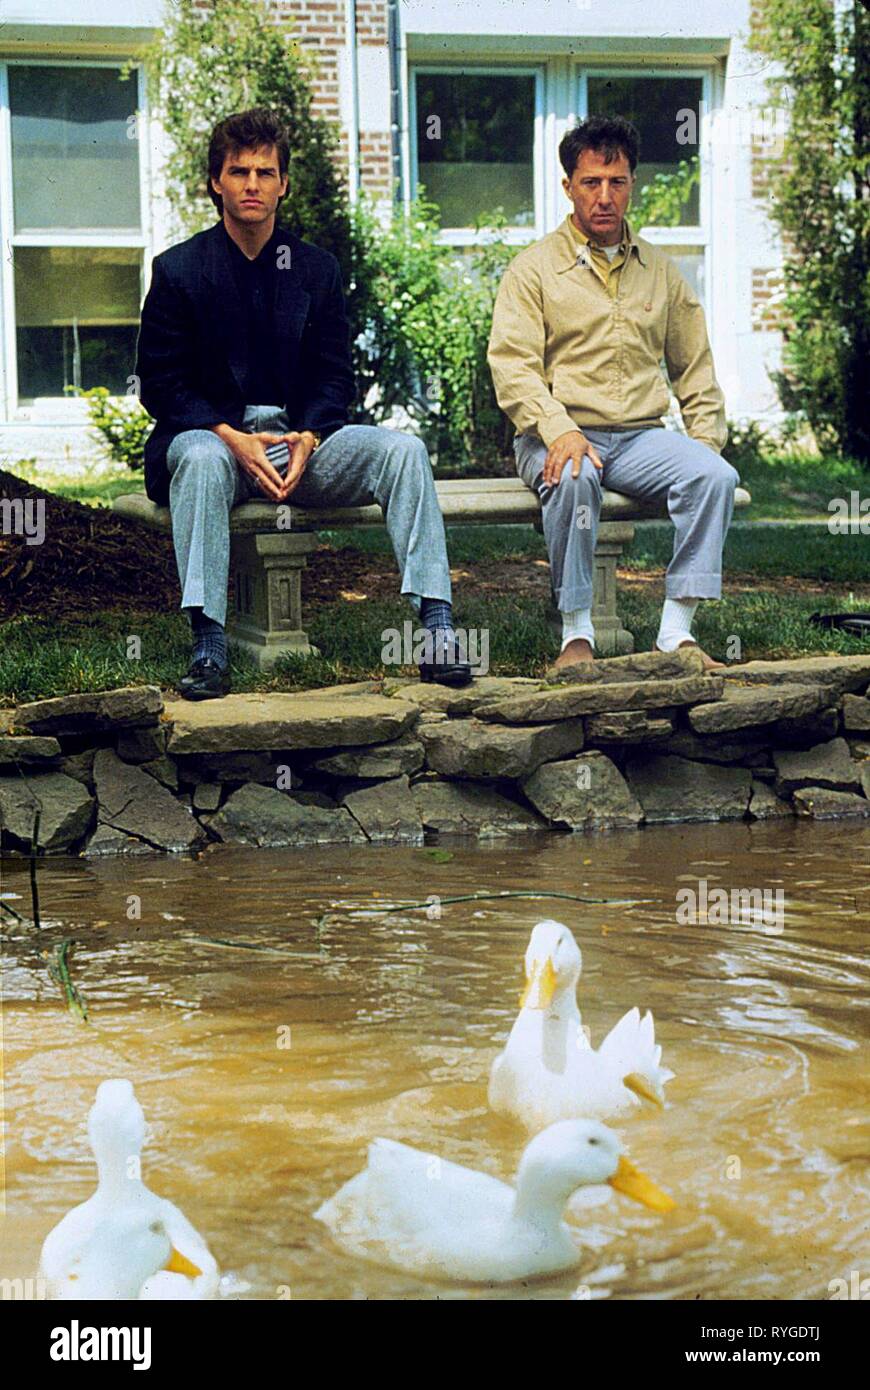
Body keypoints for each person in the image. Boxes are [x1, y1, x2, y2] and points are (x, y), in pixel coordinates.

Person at [136, 107, 471, 699]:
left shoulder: (315, 269)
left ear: (283, 184)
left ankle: (438, 626)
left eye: (266, 173)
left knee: (403, 451)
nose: (252, 185)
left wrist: (311, 436)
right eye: (239, 172)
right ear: (217, 181)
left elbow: (334, 377)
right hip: (215, 441)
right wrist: (229, 435)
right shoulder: (180, 270)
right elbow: (161, 385)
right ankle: (209, 641)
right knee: (202, 459)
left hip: (299, 445)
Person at [487, 114, 739, 671]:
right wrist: (561, 431)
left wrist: (704, 443)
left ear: (632, 184)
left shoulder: (662, 273)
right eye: (591, 182)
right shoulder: (532, 270)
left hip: (640, 439)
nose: (605, 197)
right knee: (574, 476)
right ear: (568, 186)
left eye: (617, 182)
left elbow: (694, 368)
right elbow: (513, 367)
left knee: (714, 476)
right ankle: (576, 636)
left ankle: (676, 633)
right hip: (553, 433)